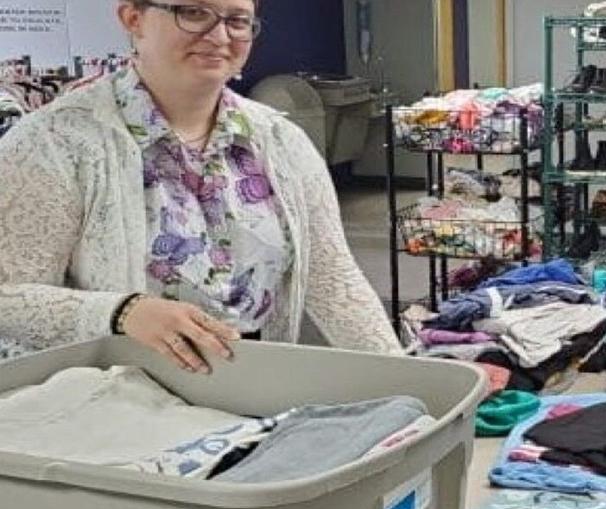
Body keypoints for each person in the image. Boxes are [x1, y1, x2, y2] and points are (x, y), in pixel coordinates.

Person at [0, 0, 401, 372]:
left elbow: (331, 277)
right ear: (133, 19)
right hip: (116, 395)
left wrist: (405, 377)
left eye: (237, 20)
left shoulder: (280, 141)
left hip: (250, 388)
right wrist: (121, 312)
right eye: (193, 12)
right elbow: (8, 298)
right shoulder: (54, 142)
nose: (219, 35)